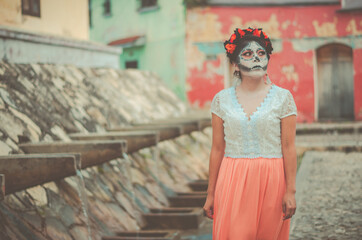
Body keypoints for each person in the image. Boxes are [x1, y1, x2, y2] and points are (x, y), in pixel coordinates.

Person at [203, 27, 297, 240]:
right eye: (247, 54)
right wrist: (210, 194)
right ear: (235, 63)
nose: (256, 58)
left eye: (261, 53)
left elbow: (289, 147)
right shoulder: (221, 100)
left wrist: (290, 191)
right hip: (232, 178)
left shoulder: (283, 98)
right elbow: (217, 148)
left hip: (272, 180)